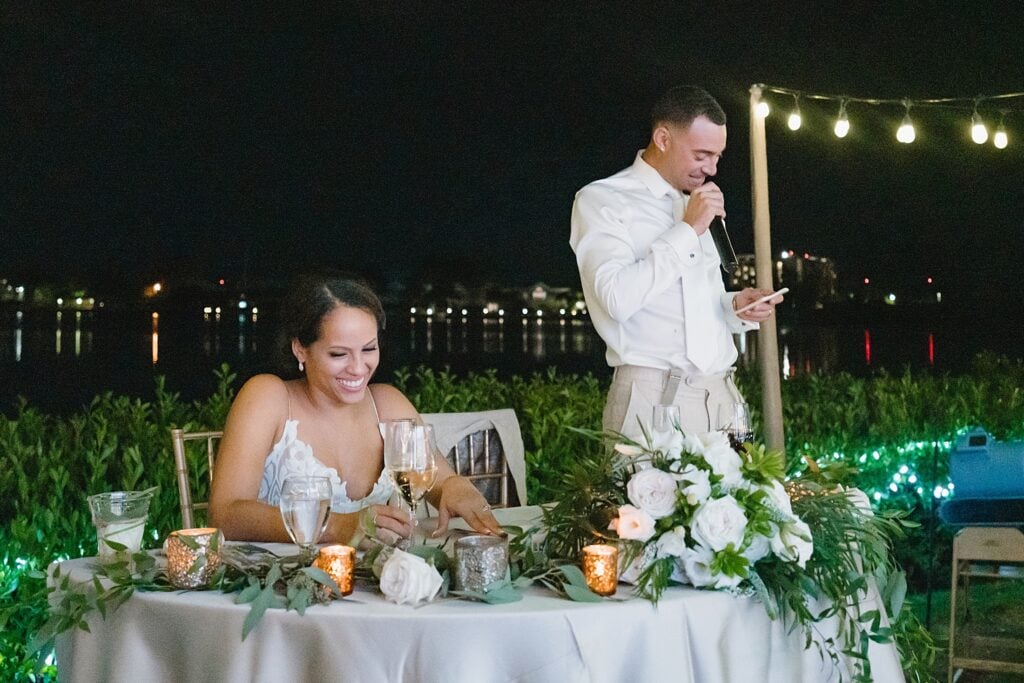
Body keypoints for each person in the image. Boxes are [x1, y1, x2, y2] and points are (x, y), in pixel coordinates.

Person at [209, 273, 503, 545]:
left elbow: (439, 480)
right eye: (339, 354)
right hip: (277, 587)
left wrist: (455, 488)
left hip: (372, 589)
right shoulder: (268, 397)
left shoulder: (387, 404)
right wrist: (336, 527)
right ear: (300, 348)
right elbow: (225, 516)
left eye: (369, 349)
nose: (358, 368)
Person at [570, 85, 782, 441]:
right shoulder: (602, 200)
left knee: (747, 499)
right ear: (663, 138)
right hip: (653, 397)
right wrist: (688, 228)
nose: (712, 168)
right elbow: (616, 299)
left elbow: (693, 300)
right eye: (702, 154)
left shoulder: (696, 202)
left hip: (722, 397)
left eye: (718, 156)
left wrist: (734, 306)